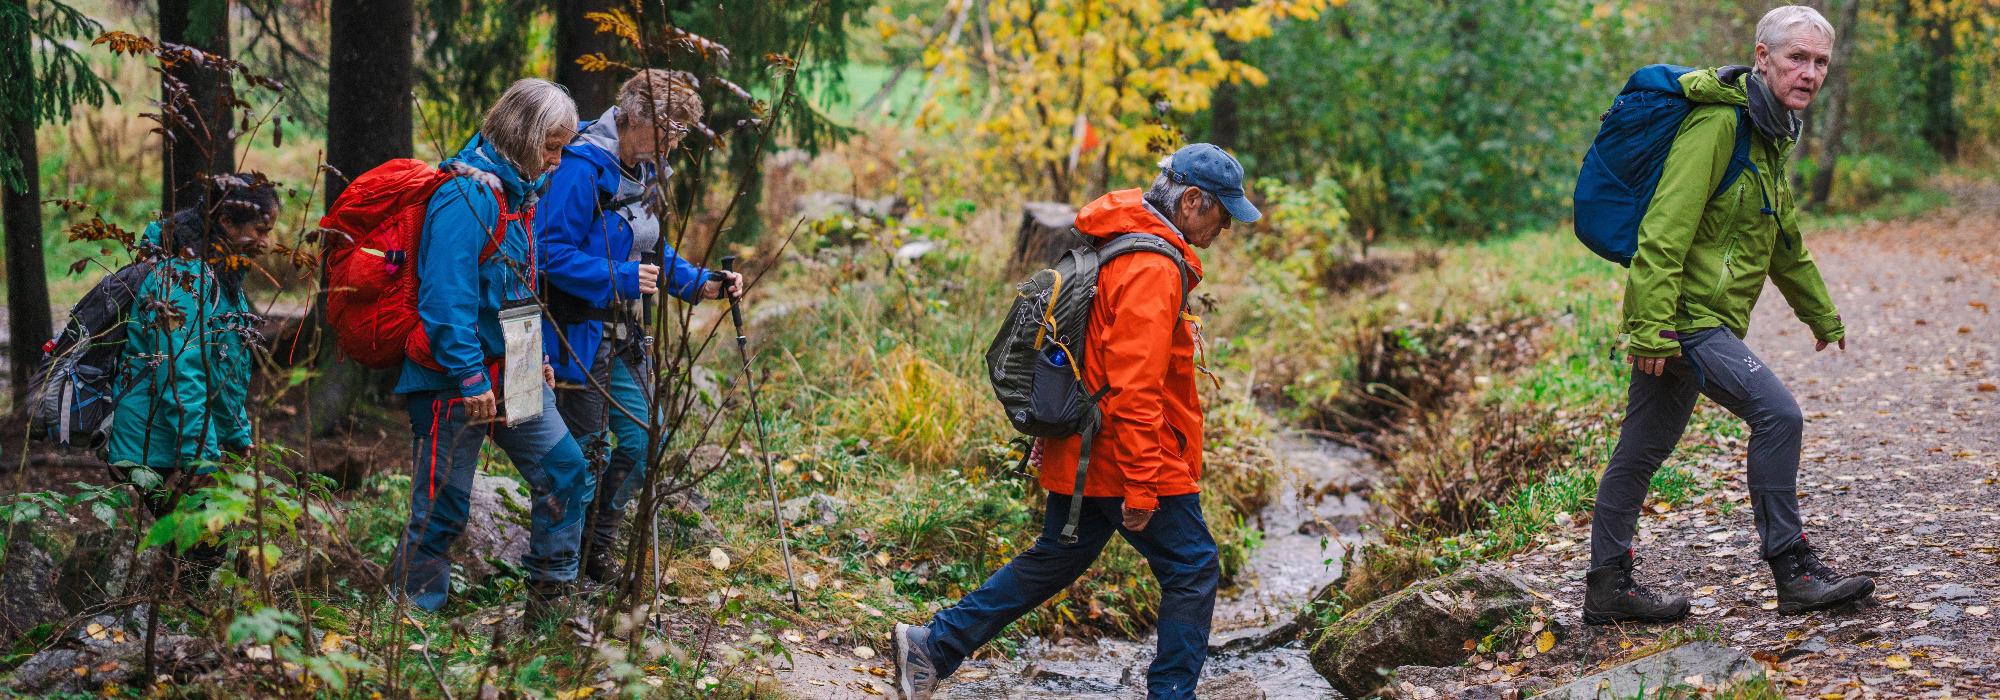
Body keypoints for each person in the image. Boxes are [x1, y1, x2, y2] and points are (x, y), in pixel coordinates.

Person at [892, 143, 1261, 700]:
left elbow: (1092, 350)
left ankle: (932, 647)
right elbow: (1136, 386)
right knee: (1193, 565)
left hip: (1089, 445)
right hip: (1125, 453)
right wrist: (1142, 483)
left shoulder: (1119, 239)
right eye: (1223, 213)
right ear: (1191, 201)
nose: (1226, 227)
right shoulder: (1152, 266)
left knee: (1058, 556)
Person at [1585, 5, 1874, 624]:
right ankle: (1793, 571)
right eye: (1797, 57)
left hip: (1698, 317)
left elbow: (1783, 238)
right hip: (1685, 318)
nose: (1810, 73)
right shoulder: (1720, 125)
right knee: (1779, 415)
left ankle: (1607, 587)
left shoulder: (1772, 133)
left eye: (1821, 62)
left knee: (1639, 452)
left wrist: (1820, 315)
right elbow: (1665, 228)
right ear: (1762, 58)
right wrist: (1650, 327)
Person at [388, 78, 591, 625]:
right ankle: (410, 621)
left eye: (561, 148)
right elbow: (446, 301)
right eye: (550, 147)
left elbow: (517, 292)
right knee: (442, 509)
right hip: (455, 380)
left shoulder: (520, 195)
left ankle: (550, 612)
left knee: (567, 471)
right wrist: (472, 377)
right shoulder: (467, 195)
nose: (556, 161)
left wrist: (535, 357)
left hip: (516, 374)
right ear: (522, 134)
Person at [537, 69, 742, 585]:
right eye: (670, 130)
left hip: (626, 334)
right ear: (636, 118)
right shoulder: (580, 166)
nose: (675, 142)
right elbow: (547, 253)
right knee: (587, 452)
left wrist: (701, 283)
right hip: (575, 334)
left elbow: (649, 246)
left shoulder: (646, 169)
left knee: (641, 440)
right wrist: (620, 277)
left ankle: (595, 551)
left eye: (681, 134)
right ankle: (559, 575)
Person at [109, 174, 278, 593]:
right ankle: (169, 627)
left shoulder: (223, 281)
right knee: (206, 539)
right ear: (226, 222)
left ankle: (167, 619)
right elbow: (180, 373)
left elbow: (223, 371)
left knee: (201, 540)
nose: (266, 243)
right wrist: (199, 457)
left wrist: (237, 436)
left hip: (179, 439)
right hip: (154, 439)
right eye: (260, 230)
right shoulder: (182, 278)